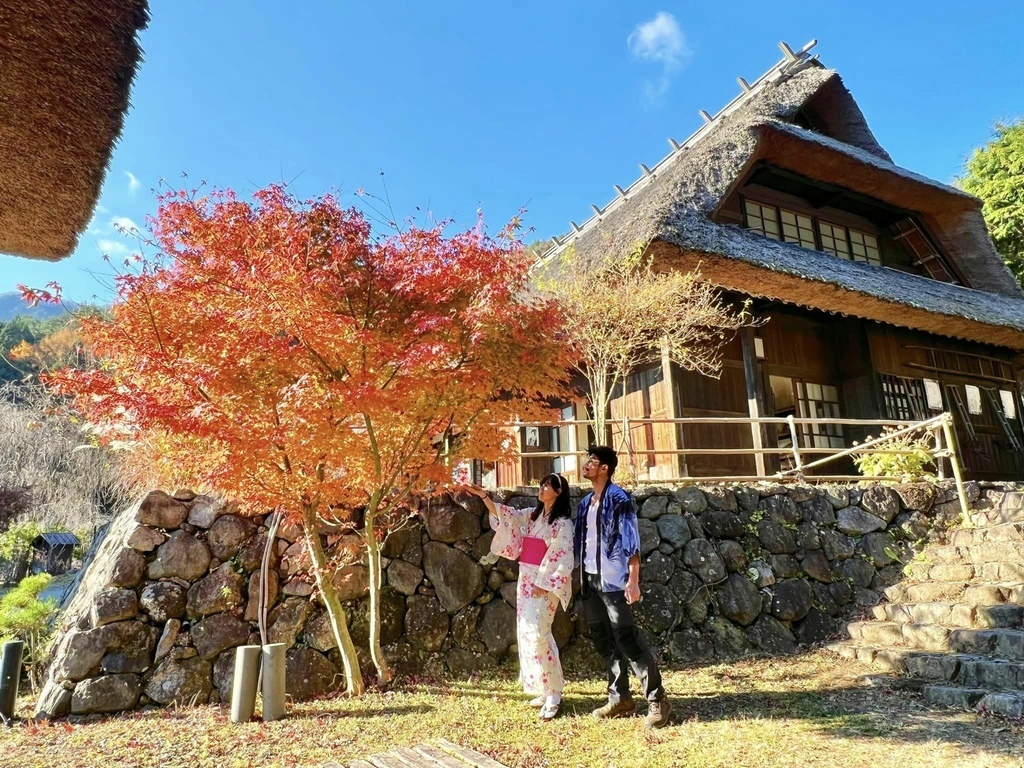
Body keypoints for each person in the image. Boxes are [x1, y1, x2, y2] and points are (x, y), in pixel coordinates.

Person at [574, 445, 671, 729]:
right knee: (603, 638)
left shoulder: (619, 499)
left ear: (604, 468)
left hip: (615, 581)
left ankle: (657, 699)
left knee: (627, 637)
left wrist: (633, 579)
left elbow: (631, 540)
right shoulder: (584, 504)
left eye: (591, 461)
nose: (586, 465)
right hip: (590, 580)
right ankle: (620, 698)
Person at [465, 475, 574, 721]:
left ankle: (555, 692)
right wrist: (483, 496)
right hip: (526, 579)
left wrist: (545, 584)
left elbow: (562, 555)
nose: (541, 488)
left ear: (558, 491)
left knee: (540, 636)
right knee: (526, 635)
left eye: (546, 485)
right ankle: (543, 689)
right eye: (542, 484)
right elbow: (507, 516)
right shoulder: (533, 516)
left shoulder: (562, 524)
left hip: (544, 585)